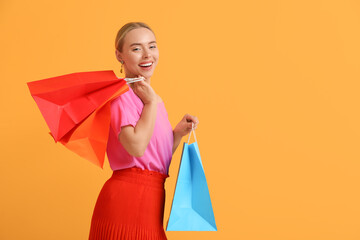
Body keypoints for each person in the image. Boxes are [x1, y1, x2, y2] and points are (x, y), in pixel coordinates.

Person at [88, 22, 199, 239]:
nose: (147, 55)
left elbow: (156, 158)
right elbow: (137, 148)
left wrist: (176, 134)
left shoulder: (155, 99)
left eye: (152, 46)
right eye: (136, 48)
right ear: (120, 56)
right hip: (125, 201)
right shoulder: (119, 96)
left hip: (152, 201)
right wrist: (149, 105)